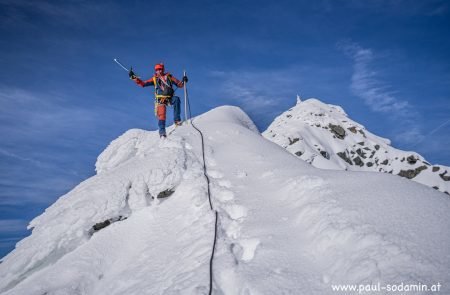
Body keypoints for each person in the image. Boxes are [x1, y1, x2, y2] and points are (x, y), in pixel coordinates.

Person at [129, 63, 188, 138]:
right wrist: (134, 78)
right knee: (162, 114)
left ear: (163, 69)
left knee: (176, 99)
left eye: (160, 69)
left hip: (169, 97)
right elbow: (143, 84)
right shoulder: (154, 79)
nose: (159, 71)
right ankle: (162, 132)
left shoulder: (169, 77)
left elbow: (180, 84)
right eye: (157, 70)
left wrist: (184, 81)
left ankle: (177, 121)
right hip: (160, 99)